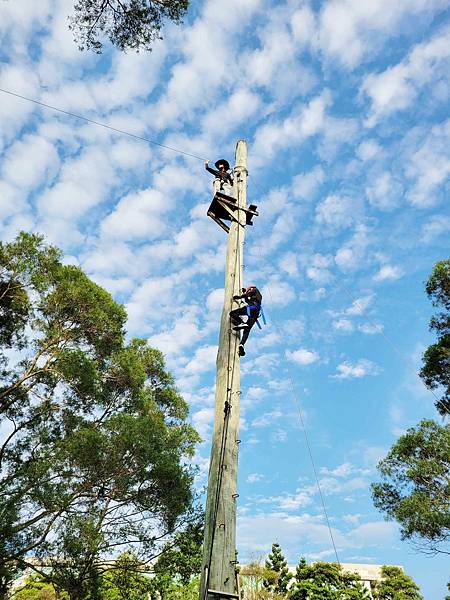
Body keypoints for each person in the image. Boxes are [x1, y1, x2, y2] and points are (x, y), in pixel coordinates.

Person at [230, 285, 263, 356]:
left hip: (252, 308)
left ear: (251, 289)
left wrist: (239, 297)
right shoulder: (256, 297)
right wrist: (244, 293)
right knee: (247, 329)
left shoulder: (255, 289)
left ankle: (241, 322)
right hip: (255, 313)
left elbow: (248, 294)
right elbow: (247, 299)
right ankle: (241, 344)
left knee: (233, 313)